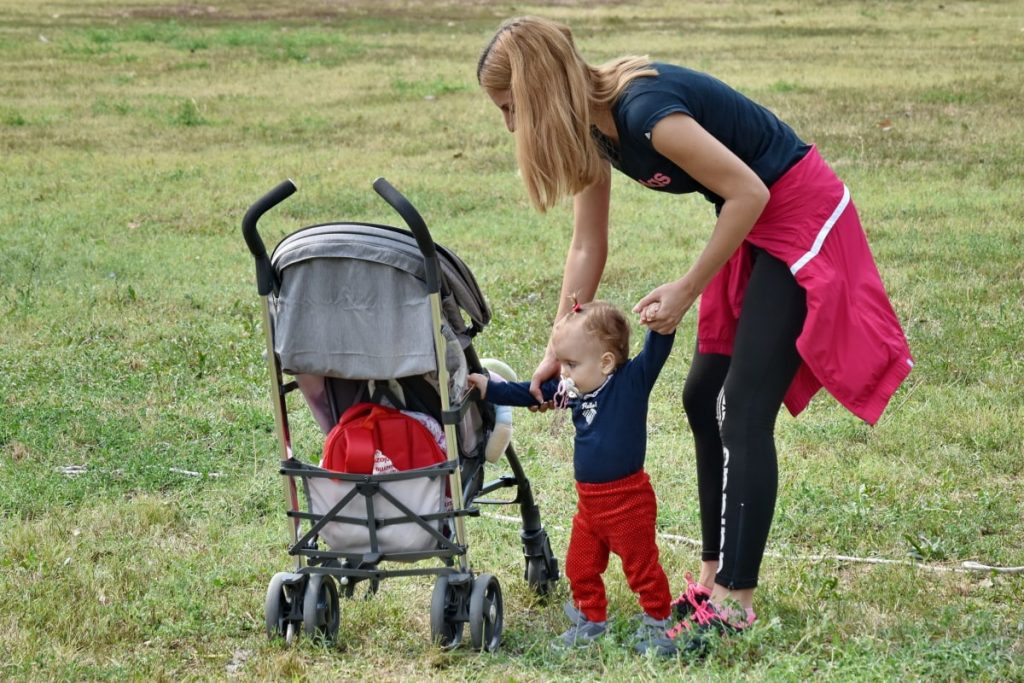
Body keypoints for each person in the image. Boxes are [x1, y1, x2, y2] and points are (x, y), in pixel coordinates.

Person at [476, 16, 914, 655]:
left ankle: (736, 600)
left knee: (740, 408)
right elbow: (587, 244)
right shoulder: (595, 135)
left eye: (512, 108)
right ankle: (710, 576)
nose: (513, 127)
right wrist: (554, 350)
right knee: (699, 396)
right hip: (753, 221)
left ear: (539, 90)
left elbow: (750, 189)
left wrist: (687, 288)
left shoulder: (646, 113)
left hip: (796, 214)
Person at [467, 299, 676, 654]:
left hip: (628, 503)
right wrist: (490, 389)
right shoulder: (574, 390)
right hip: (590, 506)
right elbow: (527, 392)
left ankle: (658, 622)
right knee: (579, 565)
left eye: (571, 364)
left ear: (607, 362)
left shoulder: (631, 382)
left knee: (642, 567)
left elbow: (656, 349)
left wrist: (661, 325)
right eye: (563, 363)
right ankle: (590, 619)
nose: (562, 372)